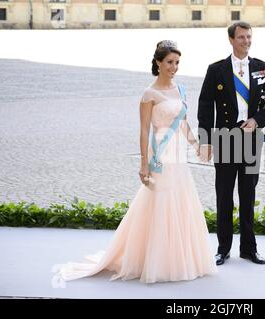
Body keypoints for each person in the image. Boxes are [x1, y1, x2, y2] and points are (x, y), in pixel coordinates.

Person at [55, 40, 217, 284]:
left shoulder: (181, 90)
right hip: (160, 153)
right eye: (170, 62)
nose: (174, 67)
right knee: (160, 201)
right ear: (158, 63)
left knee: (180, 201)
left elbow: (183, 123)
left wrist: (196, 146)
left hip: (178, 155)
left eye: (177, 63)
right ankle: (155, 261)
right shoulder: (149, 94)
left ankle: (180, 259)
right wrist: (144, 164)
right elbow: (143, 131)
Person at [197, 22, 265, 266]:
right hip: (225, 138)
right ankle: (223, 249)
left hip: (252, 139)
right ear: (231, 40)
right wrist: (205, 140)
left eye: (249, 37)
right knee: (224, 196)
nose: (247, 41)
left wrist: (257, 120)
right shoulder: (216, 70)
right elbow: (205, 106)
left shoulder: (262, 68)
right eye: (242, 37)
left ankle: (249, 249)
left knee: (248, 195)